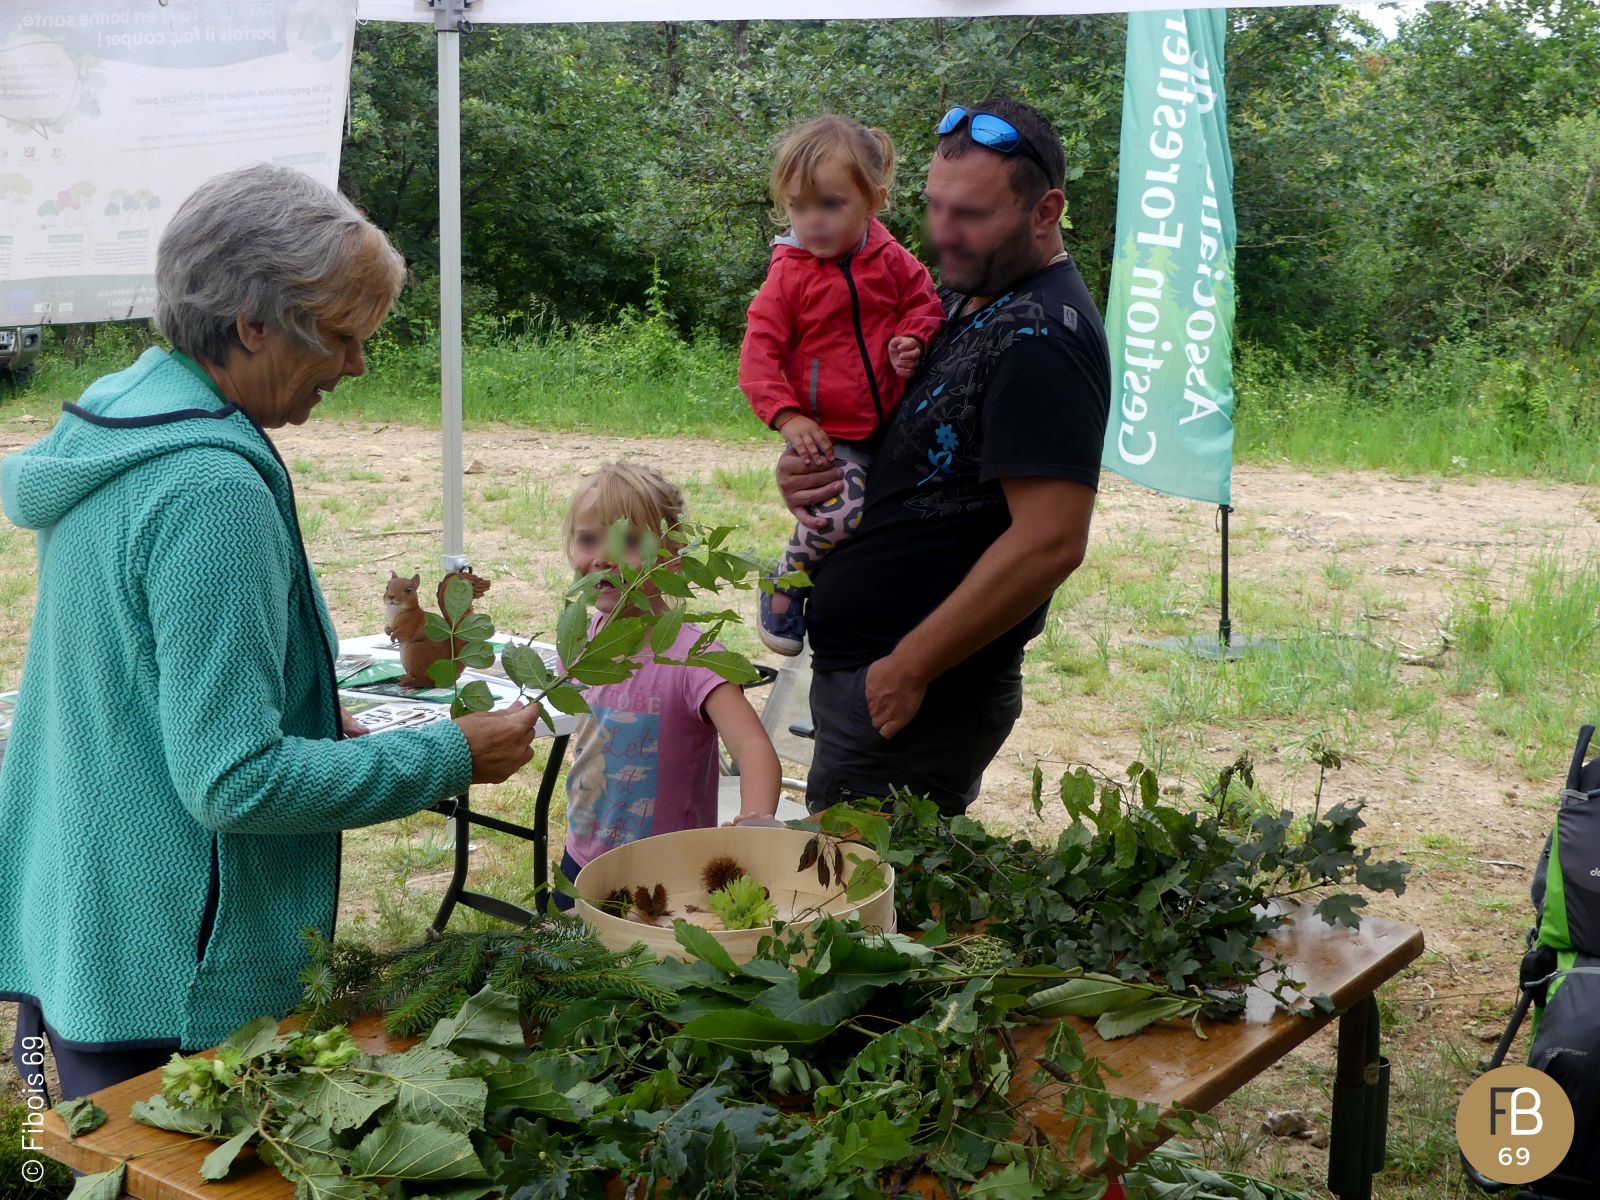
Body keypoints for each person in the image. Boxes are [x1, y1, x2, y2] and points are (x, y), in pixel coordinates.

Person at [0, 164, 544, 1101]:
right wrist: (448, 756)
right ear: (253, 323)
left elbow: (135, 677)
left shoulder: (123, 412)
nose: (356, 366)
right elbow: (235, 781)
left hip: (74, 938)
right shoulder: (210, 493)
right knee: (134, 1166)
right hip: (167, 988)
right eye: (341, 336)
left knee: (51, 1151)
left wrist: (300, 702)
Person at [778, 100, 1111, 816]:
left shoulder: (1043, 337)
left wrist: (908, 666)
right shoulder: (968, 297)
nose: (941, 235)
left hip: (915, 695)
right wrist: (811, 470)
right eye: (933, 207)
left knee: (864, 905)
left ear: (1045, 210)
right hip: (871, 673)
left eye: (970, 216)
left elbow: (1051, 540)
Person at [739, 115, 945, 658]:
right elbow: (758, 354)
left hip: (894, 423)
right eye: (798, 207)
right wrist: (788, 417)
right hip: (826, 432)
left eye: (830, 205)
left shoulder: (892, 259)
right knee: (837, 515)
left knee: (883, 523)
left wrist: (913, 338)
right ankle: (785, 579)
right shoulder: (790, 275)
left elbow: (923, 302)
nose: (813, 221)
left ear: (873, 201)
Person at [552, 462, 781, 911]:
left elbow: (753, 749)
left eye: (630, 541)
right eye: (588, 538)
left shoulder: (692, 659)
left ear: (673, 553)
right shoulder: (578, 638)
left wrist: (756, 822)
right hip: (582, 857)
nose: (603, 555)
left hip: (669, 872)